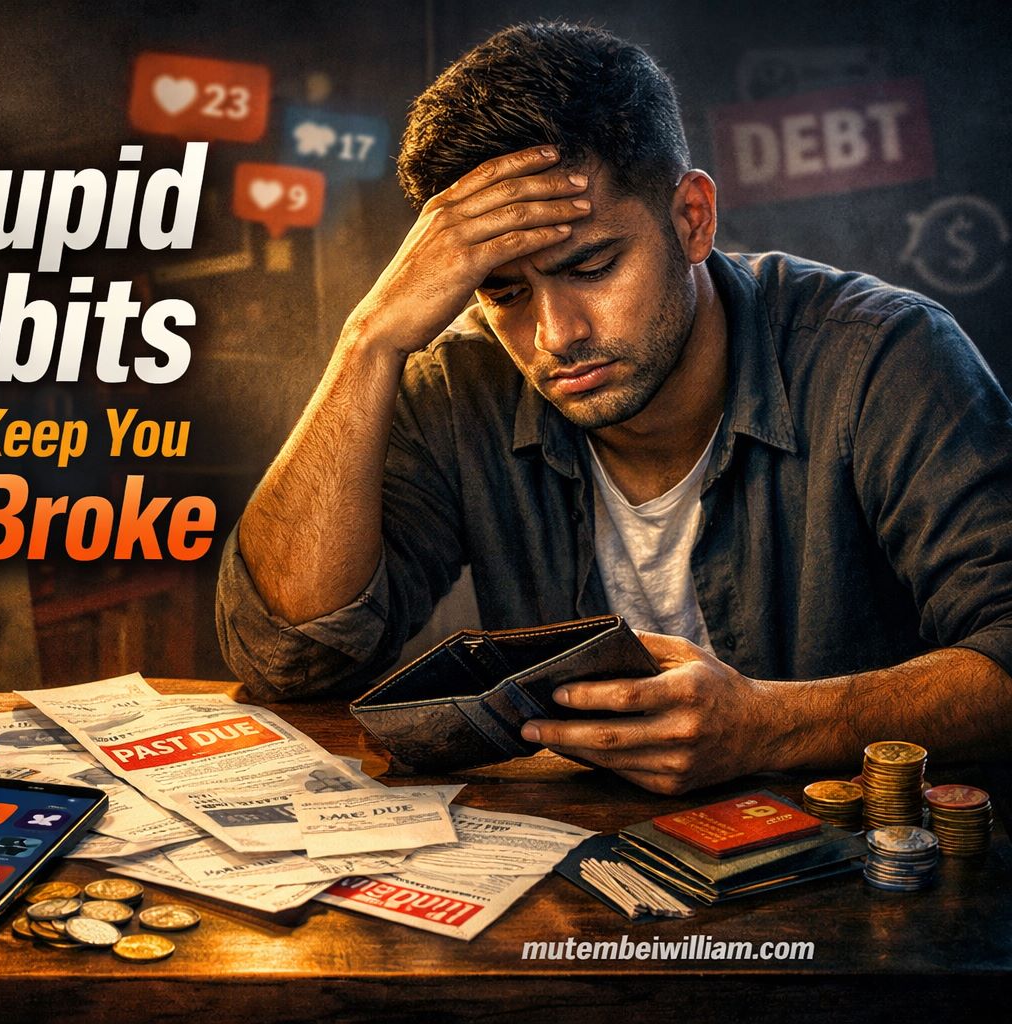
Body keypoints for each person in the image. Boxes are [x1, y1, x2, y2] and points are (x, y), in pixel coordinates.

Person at [215, 22, 1012, 794]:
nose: (556, 338)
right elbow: (293, 656)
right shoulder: (461, 385)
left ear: (691, 218)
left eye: (592, 265)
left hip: (863, 884)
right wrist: (368, 342)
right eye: (504, 291)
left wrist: (772, 725)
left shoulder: (882, 357)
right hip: (579, 888)